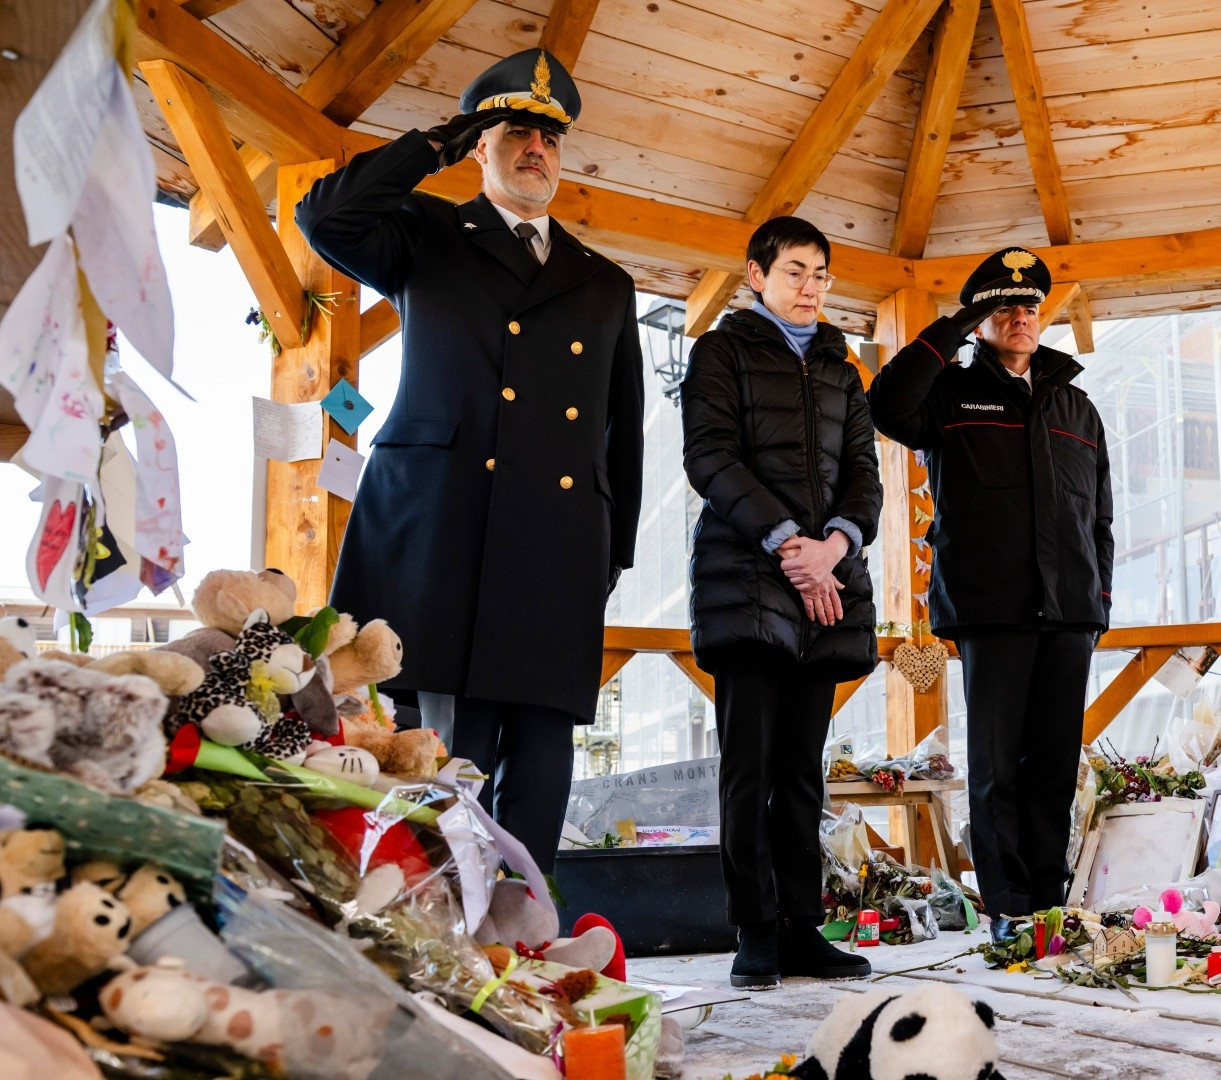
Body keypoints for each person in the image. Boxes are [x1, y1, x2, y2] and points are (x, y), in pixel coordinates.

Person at [295, 49, 645, 873]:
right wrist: (433, 146)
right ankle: (431, 927)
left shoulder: (604, 282)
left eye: (550, 138)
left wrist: (614, 552)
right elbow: (325, 217)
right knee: (442, 762)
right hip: (444, 534)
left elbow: (621, 430)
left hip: (557, 544)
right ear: (480, 146)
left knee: (543, 754)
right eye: (516, 131)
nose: (536, 149)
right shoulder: (427, 234)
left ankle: (527, 928)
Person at [866, 249, 1114, 944]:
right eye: (1002, 307)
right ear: (980, 320)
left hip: (1069, 612)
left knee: (1054, 766)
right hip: (990, 608)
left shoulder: (1078, 407)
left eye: (1029, 306)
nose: (1020, 317)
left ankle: (1048, 903)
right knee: (998, 766)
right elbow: (886, 404)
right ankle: (1007, 908)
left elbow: (1100, 516)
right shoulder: (948, 393)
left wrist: (1099, 599)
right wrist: (952, 327)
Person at [682, 216, 883, 988]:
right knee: (751, 766)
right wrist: (787, 543)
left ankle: (802, 925)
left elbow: (864, 473)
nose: (811, 287)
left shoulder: (840, 365)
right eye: (796, 271)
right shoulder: (722, 351)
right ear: (756, 276)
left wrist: (833, 547)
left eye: (821, 274)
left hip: (825, 584)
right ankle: (755, 929)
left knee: (802, 767)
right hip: (746, 577)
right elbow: (710, 457)